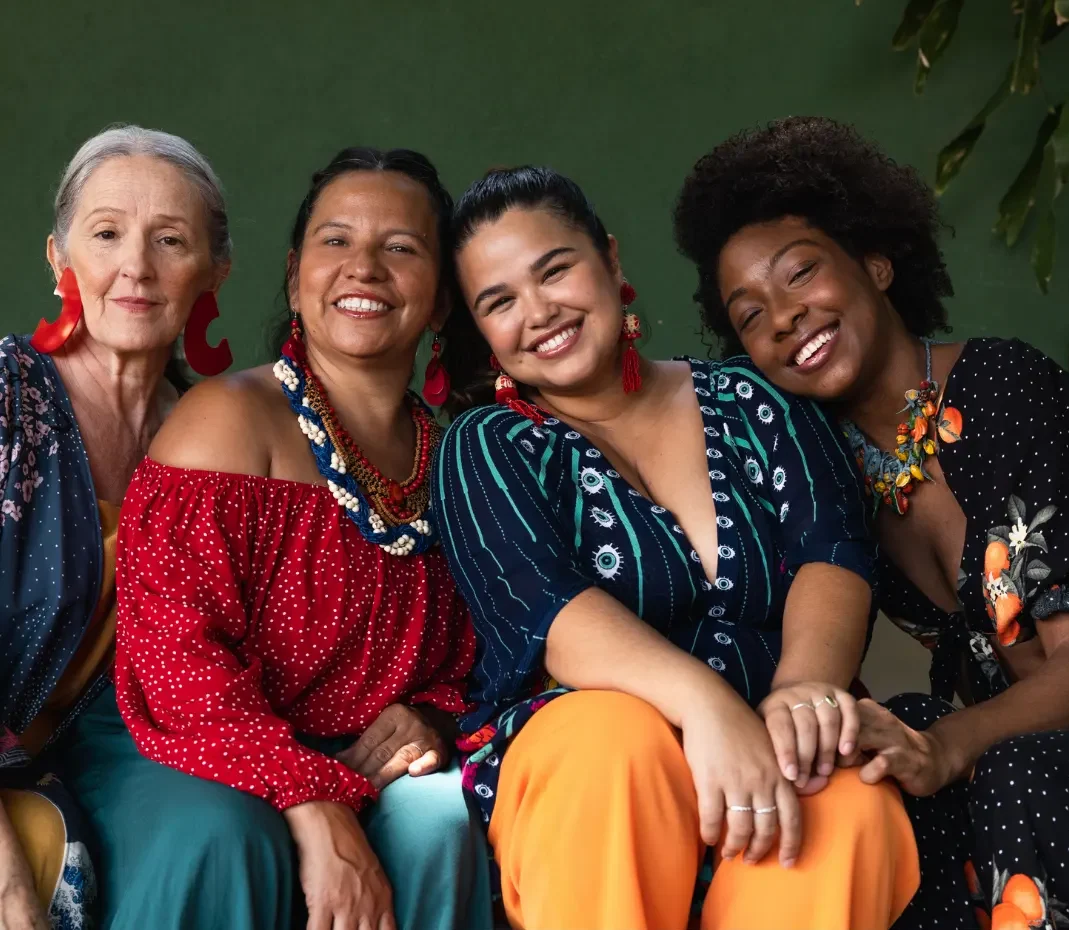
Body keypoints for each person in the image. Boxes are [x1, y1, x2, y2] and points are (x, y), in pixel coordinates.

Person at [431, 165, 921, 930]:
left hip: (774, 720)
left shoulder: (750, 398)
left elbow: (832, 550)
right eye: (498, 302)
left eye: (554, 269)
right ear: (482, 331)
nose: (538, 313)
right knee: (611, 741)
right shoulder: (488, 447)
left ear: (610, 260)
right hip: (593, 758)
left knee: (845, 793)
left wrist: (800, 690)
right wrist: (707, 709)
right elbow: (550, 614)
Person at [50, 147, 493, 930]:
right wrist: (307, 792)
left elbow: (479, 655)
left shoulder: (453, 459)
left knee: (440, 821)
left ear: (441, 302)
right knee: (227, 834)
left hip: (353, 748)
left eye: (400, 248)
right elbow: (176, 657)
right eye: (336, 241)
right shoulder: (226, 422)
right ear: (294, 278)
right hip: (182, 728)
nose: (364, 268)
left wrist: (428, 718)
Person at [674, 114, 1069, 929]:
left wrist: (953, 744)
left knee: (1005, 765)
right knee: (870, 771)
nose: (782, 317)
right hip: (982, 751)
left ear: (877, 264)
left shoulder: (1003, 389)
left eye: (799, 275)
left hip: (1028, 755)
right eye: (748, 315)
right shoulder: (827, 481)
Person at [0, 124, 233, 930]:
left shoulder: (220, 439)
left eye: (170, 240)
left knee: (223, 834)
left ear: (213, 272)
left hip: (111, 766)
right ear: (60, 258)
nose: (135, 266)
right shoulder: (10, 398)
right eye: (107, 234)